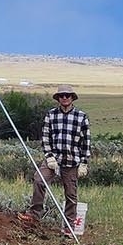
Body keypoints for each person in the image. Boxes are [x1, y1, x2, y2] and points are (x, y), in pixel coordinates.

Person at [19, 85, 90, 235]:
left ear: (72, 98)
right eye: (62, 95)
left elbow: (86, 142)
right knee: (39, 180)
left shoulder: (81, 116)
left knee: (71, 194)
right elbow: (45, 138)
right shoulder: (50, 115)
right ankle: (34, 215)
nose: (65, 97)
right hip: (53, 160)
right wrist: (49, 157)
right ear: (58, 98)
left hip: (72, 161)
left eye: (67, 95)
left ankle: (69, 227)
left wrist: (84, 162)